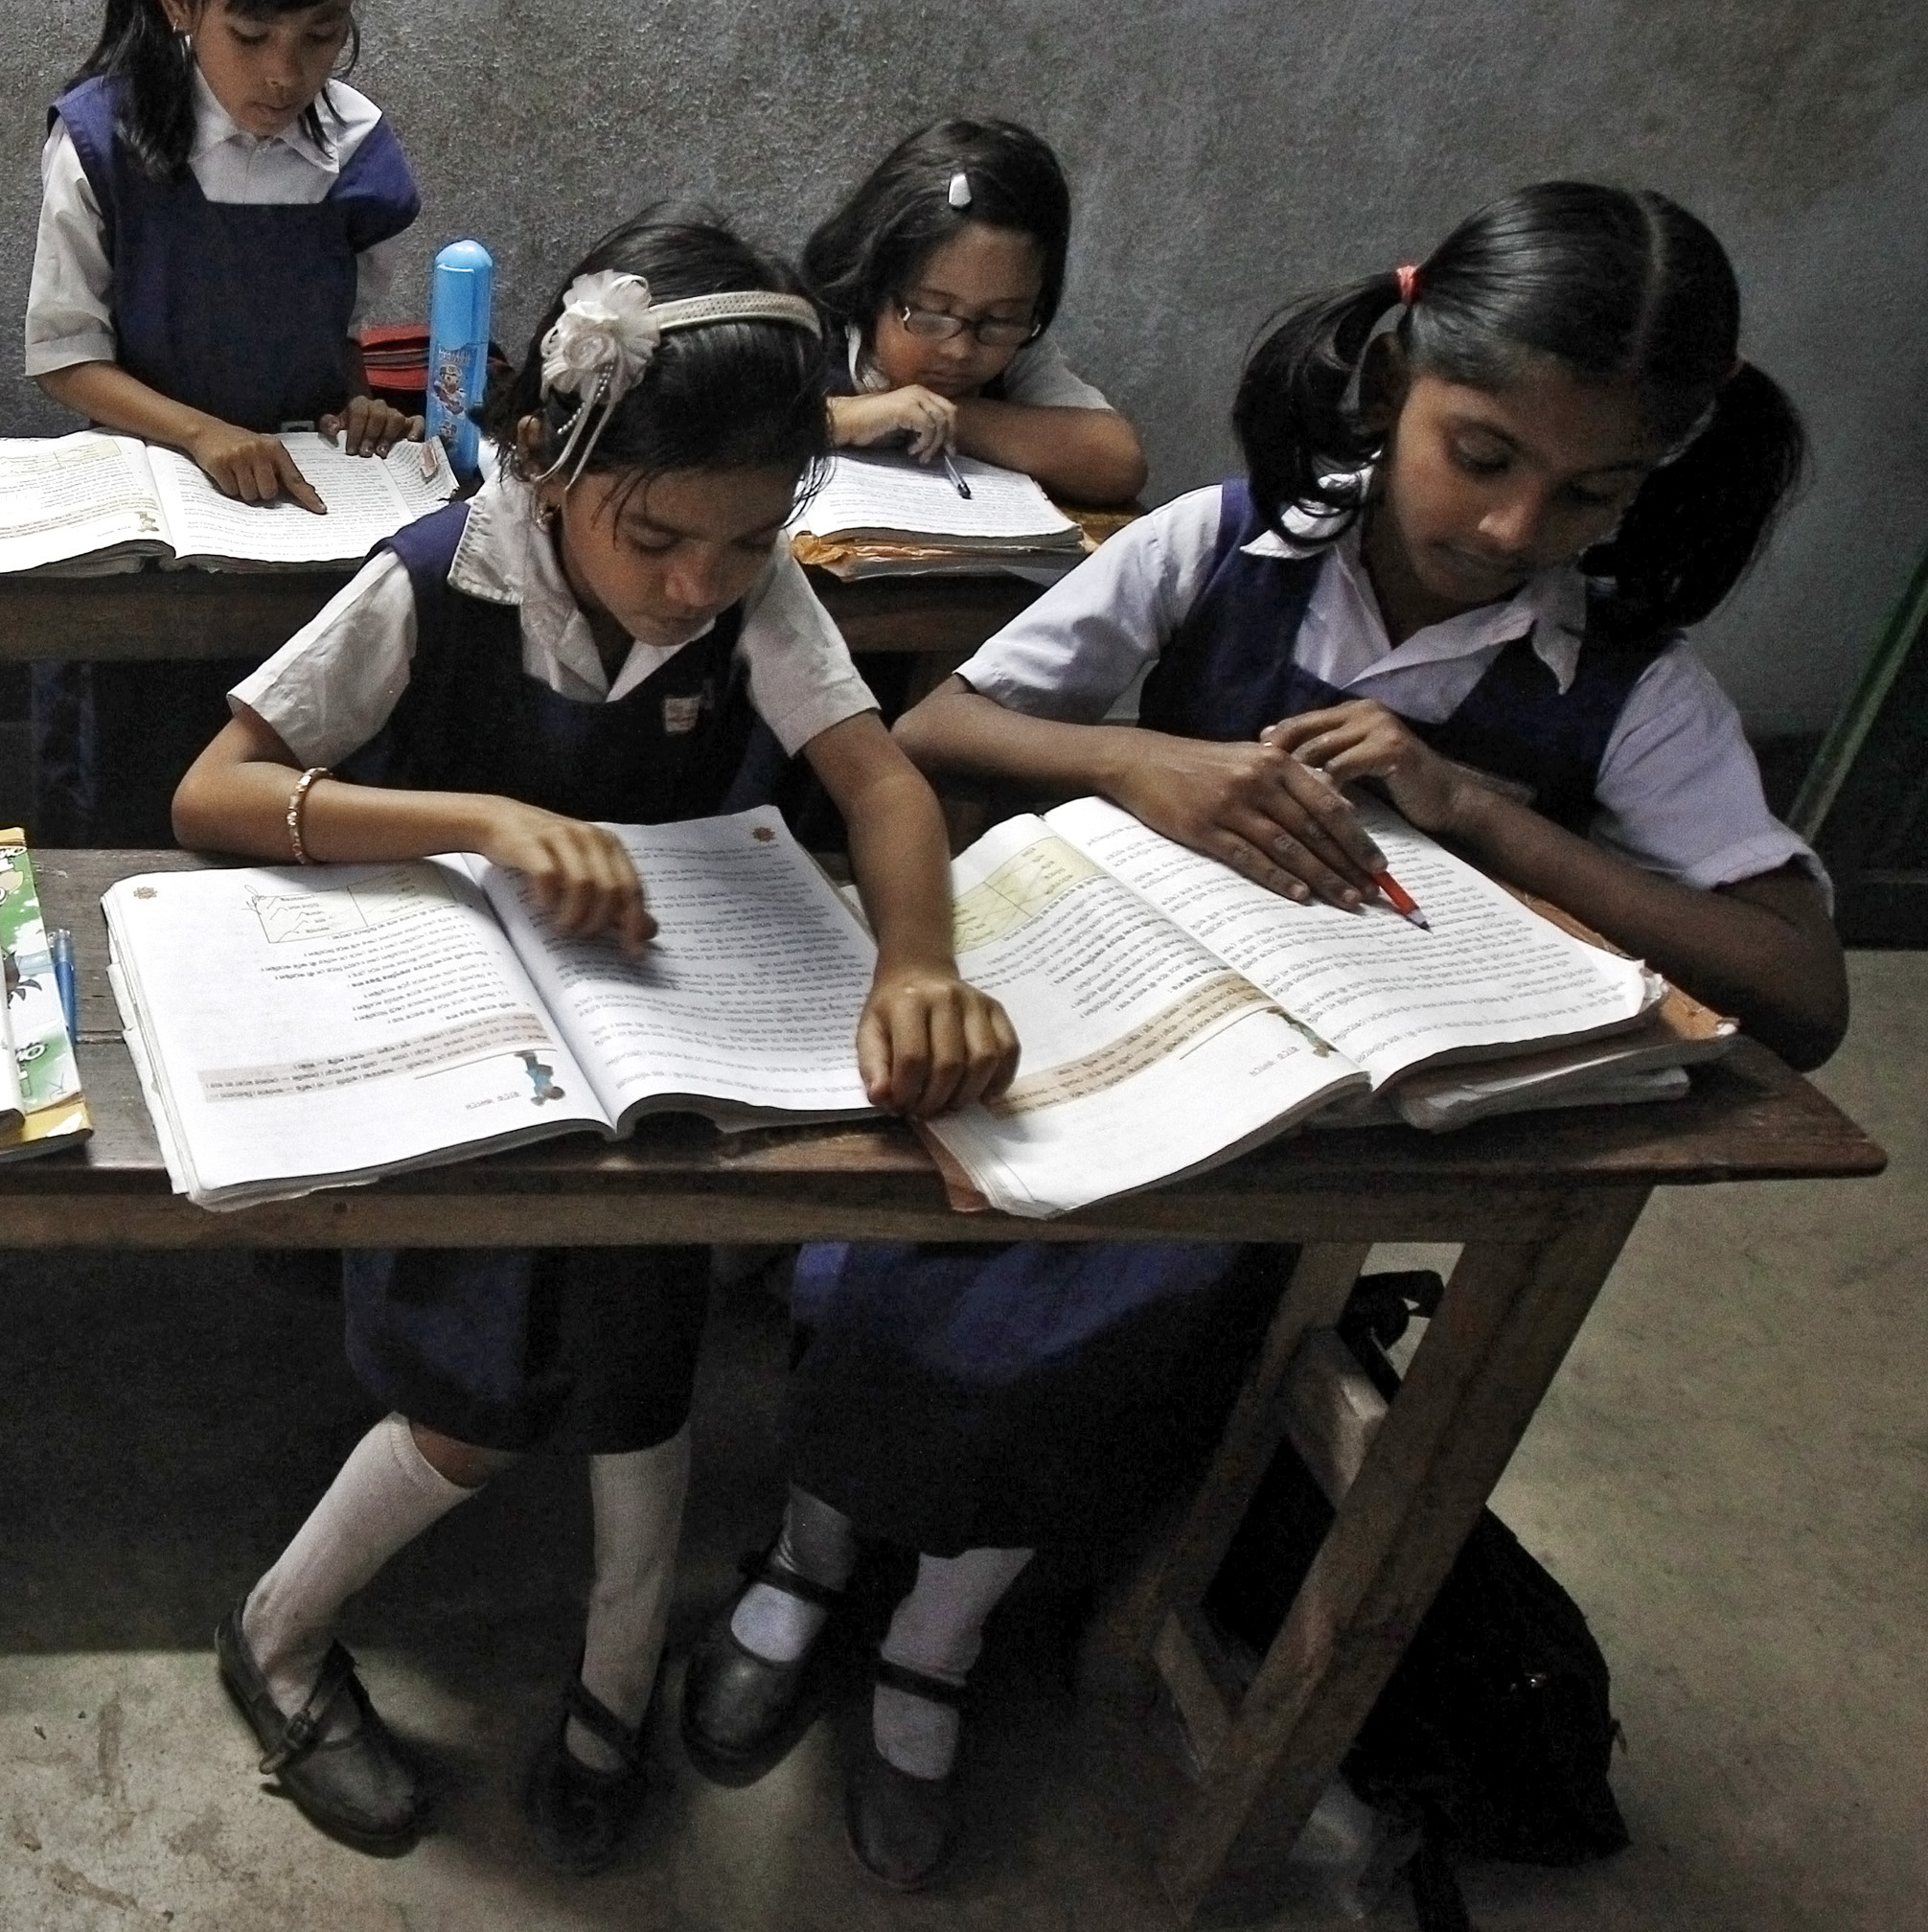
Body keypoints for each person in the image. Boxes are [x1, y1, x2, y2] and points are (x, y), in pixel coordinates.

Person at [686, 179, 1847, 1890]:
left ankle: (934, 1640)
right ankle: (802, 1560)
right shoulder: (1225, 546)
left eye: (1593, 491)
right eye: (1483, 452)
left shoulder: (1623, 682)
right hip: (1089, 1023)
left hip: (1290, 1135)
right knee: (902, 1254)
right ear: (1393, 379)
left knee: (1121, 1330)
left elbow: (1803, 994)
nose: (1523, 527)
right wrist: (1152, 761)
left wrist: (1480, 813)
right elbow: (940, 722)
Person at [175, 213, 1019, 1873]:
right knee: (470, 1404)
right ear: (550, 454)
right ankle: (275, 1636)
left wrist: (918, 958)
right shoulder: (439, 580)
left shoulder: (747, 594)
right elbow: (215, 790)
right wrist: (484, 816)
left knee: (647, 1387)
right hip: (470, 1076)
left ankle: (612, 1699)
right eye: (656, 538)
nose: (698, 584)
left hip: (661, 1078)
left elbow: (885, 782)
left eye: (748, 536)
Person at [26, 0, 423, 846]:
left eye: (321, 35)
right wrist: (201, 433)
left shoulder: (356, 153)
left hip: (296, 531)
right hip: (144, 527)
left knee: (296, 785)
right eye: (250, 36)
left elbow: (339, 341)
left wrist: (355, 404)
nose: (284, 76)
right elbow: (65, 359)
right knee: (132, 798)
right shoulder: (100, 145)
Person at [800, 117, 1146, 509]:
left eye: (999, 319)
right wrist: (841, 418)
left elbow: (1120, 462)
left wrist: (952, 418)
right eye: (934, 313)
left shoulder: (1018, 353)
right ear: (872, 284)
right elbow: (725, 428)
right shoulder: (807, 331)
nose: (961, 350)